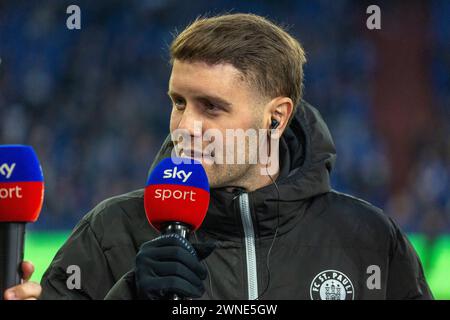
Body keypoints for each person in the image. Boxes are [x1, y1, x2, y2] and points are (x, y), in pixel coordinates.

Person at [3, 13, 432, 300]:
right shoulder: (109, 233)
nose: (185, 126)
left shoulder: (369, 240)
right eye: (178, 102)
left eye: (211, 107)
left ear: (275, 118)